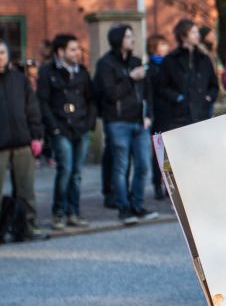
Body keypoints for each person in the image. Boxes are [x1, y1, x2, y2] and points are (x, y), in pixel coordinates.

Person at [95, 24, 158, 225]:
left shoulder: (136, 61)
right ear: (118, 39)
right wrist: (130, 78)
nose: (132, 39)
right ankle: (124, 208)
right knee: (121, 167)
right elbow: (110, 93)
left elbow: (147, 90)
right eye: (128, 36)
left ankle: (137, 205)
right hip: (118, 122)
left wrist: (148, 114)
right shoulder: (106, 64)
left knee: (143, 165)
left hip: (139, 121)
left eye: (132, 35)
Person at [36, 33, 97, 229]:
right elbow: (43, 102)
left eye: (78, 49)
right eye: (72, 49)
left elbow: (91, 99)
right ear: (60, 51)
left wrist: (89, 123)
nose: (77, 53)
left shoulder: (82, 72)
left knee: (77, 173)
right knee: (65, 170)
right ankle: (58, 213)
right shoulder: (47, 72)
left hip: (81, 128)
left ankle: (73, 212)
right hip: (60, 128)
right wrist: (53, 127)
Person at [0, 40, 46, 240]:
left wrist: (36, 135)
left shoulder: (20, 80)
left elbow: (32, 109)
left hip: (22, 142)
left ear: (8, 54)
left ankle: (28, 226)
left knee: (26, 189)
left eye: (2, 51)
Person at [159, 19, 219, 130]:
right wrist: (178, 98)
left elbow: (213, 84)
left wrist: (208, 98)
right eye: (193, 32)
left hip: (203, 115)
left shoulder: (204, 59)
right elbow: (161, 87)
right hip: (179, 118)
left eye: (197, 32)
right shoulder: (171, 60)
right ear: (183, 36)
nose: (198, 35)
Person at [146, 34, 171, 199]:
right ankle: (157, 183)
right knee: (159, 153)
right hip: (157, 115)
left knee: (169, 153)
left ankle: (168, 185)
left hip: (169, 114)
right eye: (162, 45)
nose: (166, 48)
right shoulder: (150, 68)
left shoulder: (169, 65)